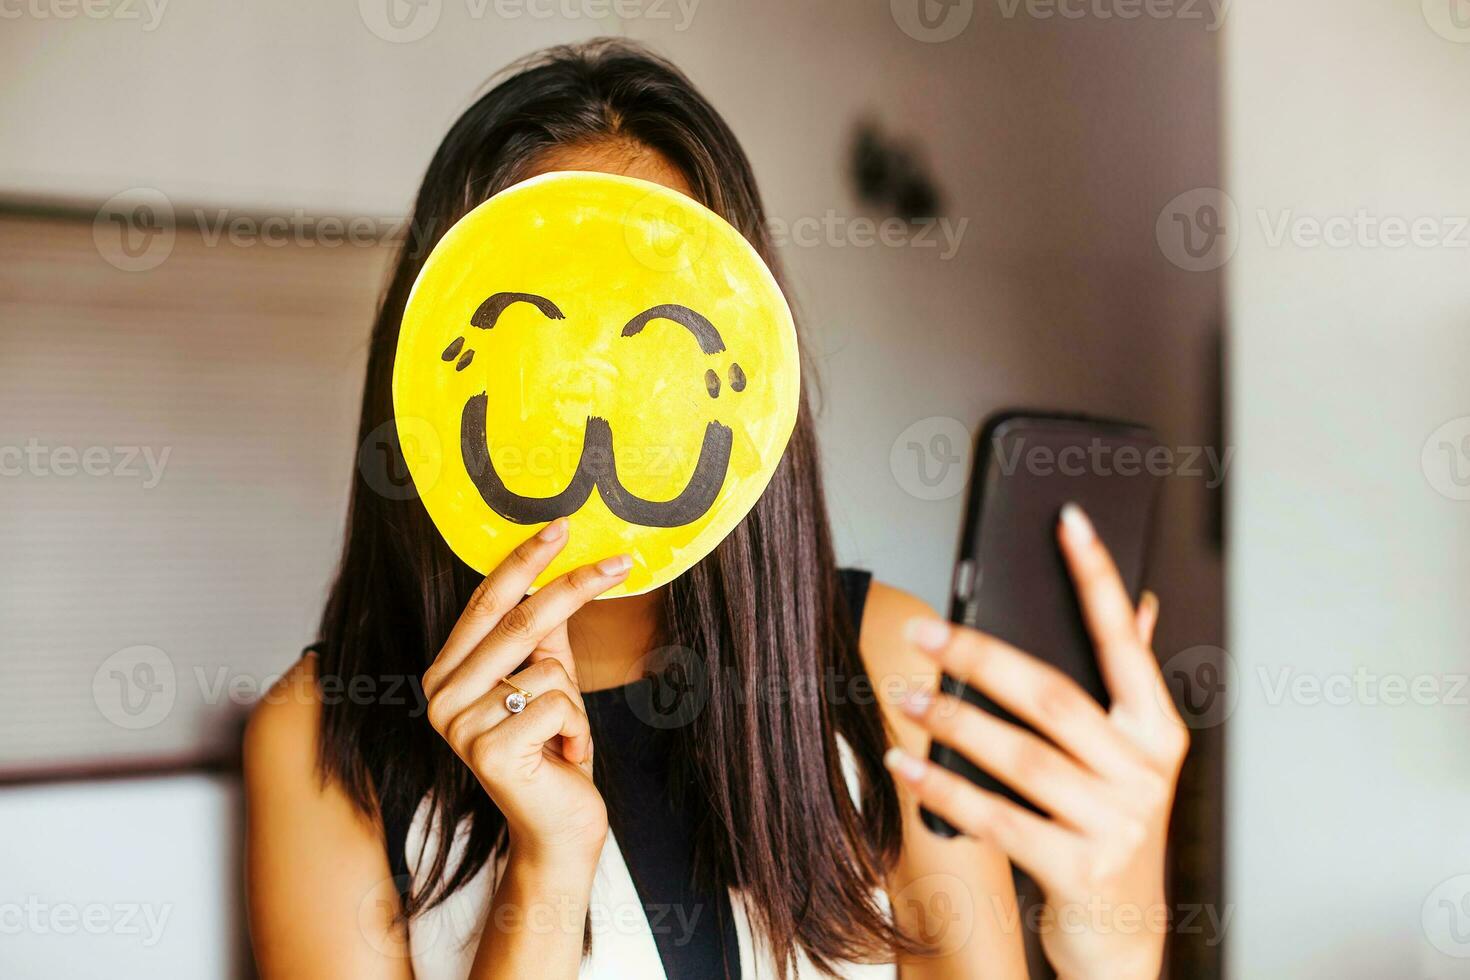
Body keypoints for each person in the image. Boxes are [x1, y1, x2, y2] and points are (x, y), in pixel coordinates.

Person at [244, 39, 1188, 980]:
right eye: (538, 328)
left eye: (655, 329)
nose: (598, 389)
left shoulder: (886, 665)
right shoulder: (323, 742)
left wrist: (1119, 942)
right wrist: (547, 866)